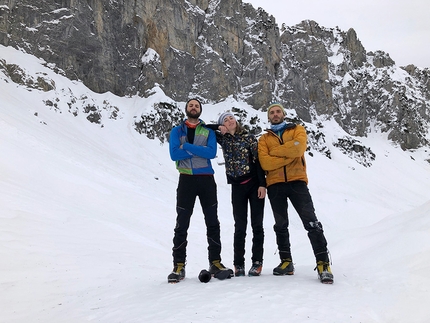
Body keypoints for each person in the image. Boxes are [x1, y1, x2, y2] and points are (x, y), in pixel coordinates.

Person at [258, 103, 334, 284]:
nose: (275, 115)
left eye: (278, 112)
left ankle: (323, 263)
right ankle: (286, 262)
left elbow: (298, 149)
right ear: (268, 117)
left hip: (297, 182)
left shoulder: (297, 130)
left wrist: (275, 153)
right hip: (275, 185)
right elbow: (265, 164)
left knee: (311, 222)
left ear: (283, 114)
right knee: (280, 224)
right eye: (272, 113)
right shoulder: (263, 139)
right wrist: (288, 155)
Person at [167, 98, 233, 283]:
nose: (193, 108)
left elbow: (211, 153)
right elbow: (174, 154)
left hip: (206, 180)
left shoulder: (207, 131)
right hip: (186, 179)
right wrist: (198, 150)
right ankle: (178, 266)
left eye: (196, 106)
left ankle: (216, 262)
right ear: (186, 109)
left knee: (213, 222)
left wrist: (186, 147)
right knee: (182, 222)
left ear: (200, 110)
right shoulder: (176, 131)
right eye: (191, 105)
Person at [208, 111, 266, 277]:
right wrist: (217, 127)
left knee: (257, 225)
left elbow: (258, 161)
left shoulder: (248, 137)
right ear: (223, 125)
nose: (229, 120)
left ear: (236, 120)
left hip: (254, 185)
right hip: (237, 187)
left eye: (231, 118)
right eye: (225, 120)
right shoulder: (223, 138)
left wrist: (262, 184)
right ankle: (238, 264)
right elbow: (204, 127)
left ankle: (257, 262)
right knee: (240, 227)